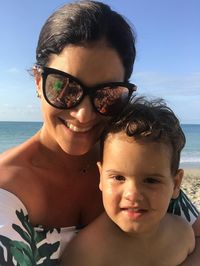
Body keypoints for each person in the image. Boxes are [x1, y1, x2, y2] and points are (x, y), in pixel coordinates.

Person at [0, 1, 199, 265]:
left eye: (107, 96)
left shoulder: (137, 163)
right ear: (39, 82)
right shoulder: (6, 191)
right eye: (66, 88)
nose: (83, 114)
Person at [61, 98, 195, 266]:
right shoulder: (87, 253)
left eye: (151, 180)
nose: (132, 194)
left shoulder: (182, 234)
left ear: (175, 184)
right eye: (118, 178)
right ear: (101, 177)